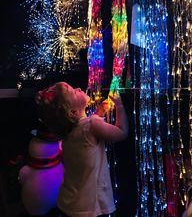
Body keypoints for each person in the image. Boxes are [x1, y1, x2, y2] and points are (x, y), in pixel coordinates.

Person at [35, 82, 128, 217]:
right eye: (73, 91)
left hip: (68, 204)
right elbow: (122, 132)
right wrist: (119, 104)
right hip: (89, 208)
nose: (78, 88)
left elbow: (84, 135)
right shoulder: (92, 126)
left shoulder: (67, 133)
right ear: (73, 112)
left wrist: (99, 113)